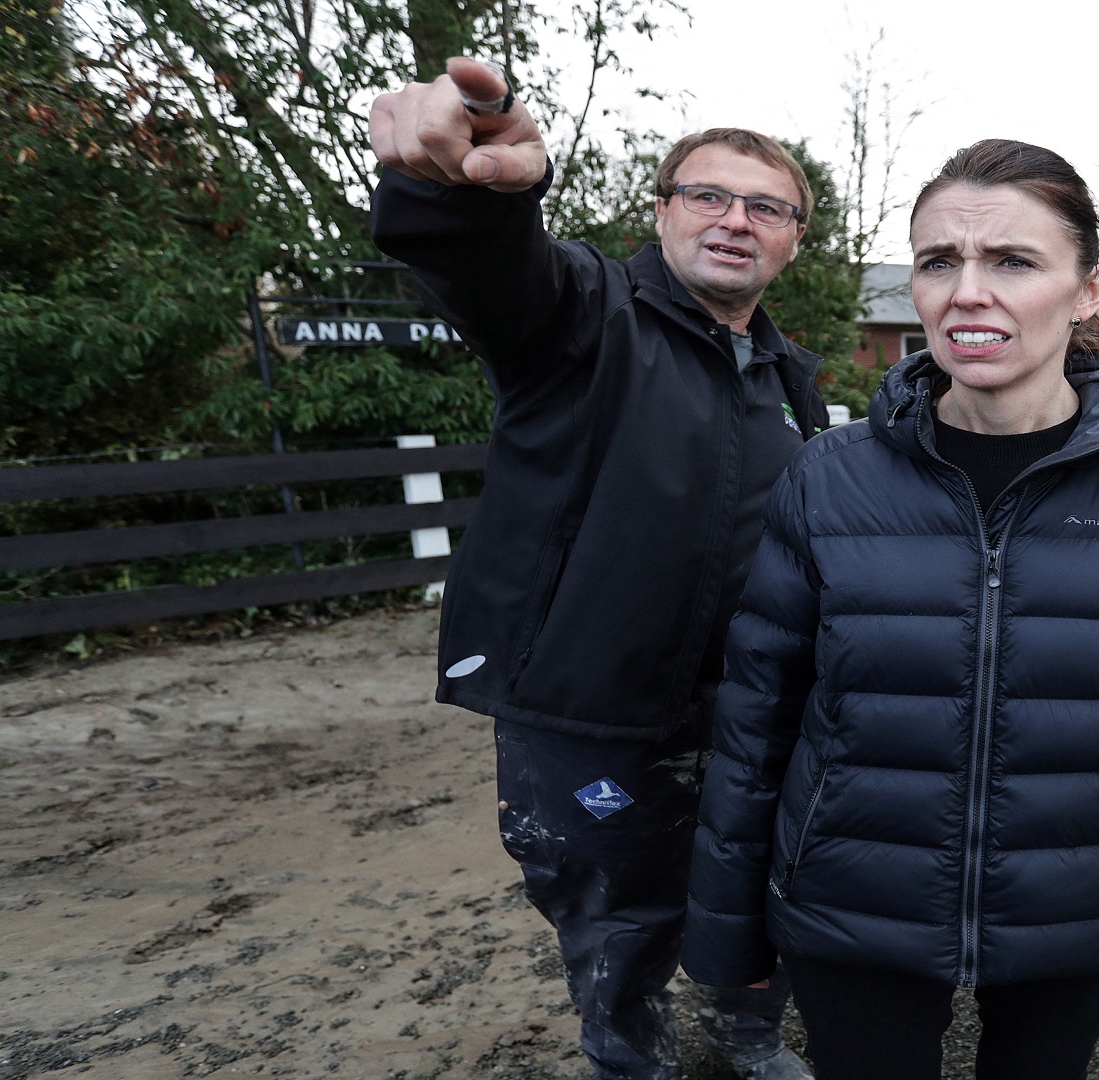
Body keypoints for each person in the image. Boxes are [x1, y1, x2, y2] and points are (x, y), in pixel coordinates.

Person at [681, 139, 1099, 1080]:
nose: (967, 292)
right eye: (939, 261)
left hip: (1075, 904)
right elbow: (756, 727)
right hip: (851, 899)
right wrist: (726, 941)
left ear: (1088, 290)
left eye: (1014, 262)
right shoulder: (830, 478)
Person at [367, 57, 826, 1080]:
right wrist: (466, 191)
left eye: (766, 207)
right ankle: (632, 1055)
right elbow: (498, 270)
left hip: (746, 705)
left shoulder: (790, 377)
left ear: (794, 240)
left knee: (759, 877)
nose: (734, 219)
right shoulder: (588, 317)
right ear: (661, 211)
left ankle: (750, 1029)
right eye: (707, 193)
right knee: (614, 907)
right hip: (587, 707)